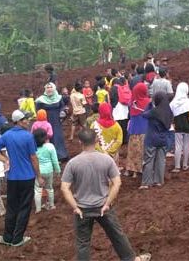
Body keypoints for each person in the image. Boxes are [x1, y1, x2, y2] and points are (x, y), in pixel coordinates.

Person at [61, 129, 151, 261]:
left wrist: (75, 207)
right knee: (117, 235)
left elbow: (64, 188)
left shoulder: (73, 163)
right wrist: (108, 203)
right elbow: (117, 183)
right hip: (103, 207)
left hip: (83, 209)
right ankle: (131, 259)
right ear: (97, 140)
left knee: (83, 243)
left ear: (80, 142)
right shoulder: (106, 160)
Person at [0, 110, 42, 247]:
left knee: (12, 207)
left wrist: (6, 159)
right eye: (25, 119)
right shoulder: (28, 137)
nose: (28, 121)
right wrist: (39, 176)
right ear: (18, 121)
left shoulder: (7, 135)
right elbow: (33, 158)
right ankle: (18, 238)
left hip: (12, 177)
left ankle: (7, 236)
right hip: (27, 177)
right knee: (24, 207)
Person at [140, 92, 172, 189]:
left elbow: (143, 114)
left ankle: (146, 183)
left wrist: (149, 104)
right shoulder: (169, 112)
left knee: (149, 160)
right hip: (163, 139)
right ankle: (158, 181)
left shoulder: (154, 111)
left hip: (151, 139)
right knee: (161, 160)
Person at [35, 83, 69, 161]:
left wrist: (63, 112)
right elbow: (38, 111)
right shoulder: (40, 100)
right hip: (46, 122)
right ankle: (50, 157)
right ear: (45, 89)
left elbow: (62, 107)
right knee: (48, 138)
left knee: (58, 137)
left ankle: (61, 155)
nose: (49, 89)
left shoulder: (59, 98)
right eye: (47, 87)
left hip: (57, 121)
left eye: (51, 87)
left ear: (54, 88)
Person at [125, 83, 151, 178]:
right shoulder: (148, 102)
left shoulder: (131, 103)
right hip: (145, 130)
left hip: (133, 130)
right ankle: (140, 170)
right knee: (142, 151)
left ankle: (130, 170)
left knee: (132, 151)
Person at [171, 82, 189, 173]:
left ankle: (177, 166)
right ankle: (185, 165)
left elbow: (171, 115)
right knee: (186, 145)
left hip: (178, 127)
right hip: (188, 127)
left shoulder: (173, 103)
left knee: (178, 146)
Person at [32, 129, 60, 213]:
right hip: (48, 170)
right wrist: (58, 170)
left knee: (37, 189)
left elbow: (32, 160)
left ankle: (38, 208)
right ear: (45, 137)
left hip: (37, 171)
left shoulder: (33, 148)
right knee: (49, 188)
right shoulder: (50, 146)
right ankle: (51, 205)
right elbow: (55, 160)